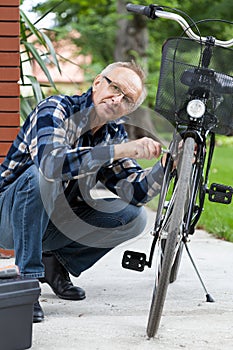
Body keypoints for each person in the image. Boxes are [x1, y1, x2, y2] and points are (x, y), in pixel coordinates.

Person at [0, 61, 165, 323]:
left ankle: (56, 264)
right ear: (98, 82)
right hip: (7, 218)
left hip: (53, 221)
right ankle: (28, 282)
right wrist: (121, 150)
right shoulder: (55, 109)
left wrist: (167, 166)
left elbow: (136, 192)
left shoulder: (112, 134)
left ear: (130, 109)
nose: (117, 99)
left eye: (127, 99)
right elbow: (51, 163)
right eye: (115, 87)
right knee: (41, 175)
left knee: (134, 217)